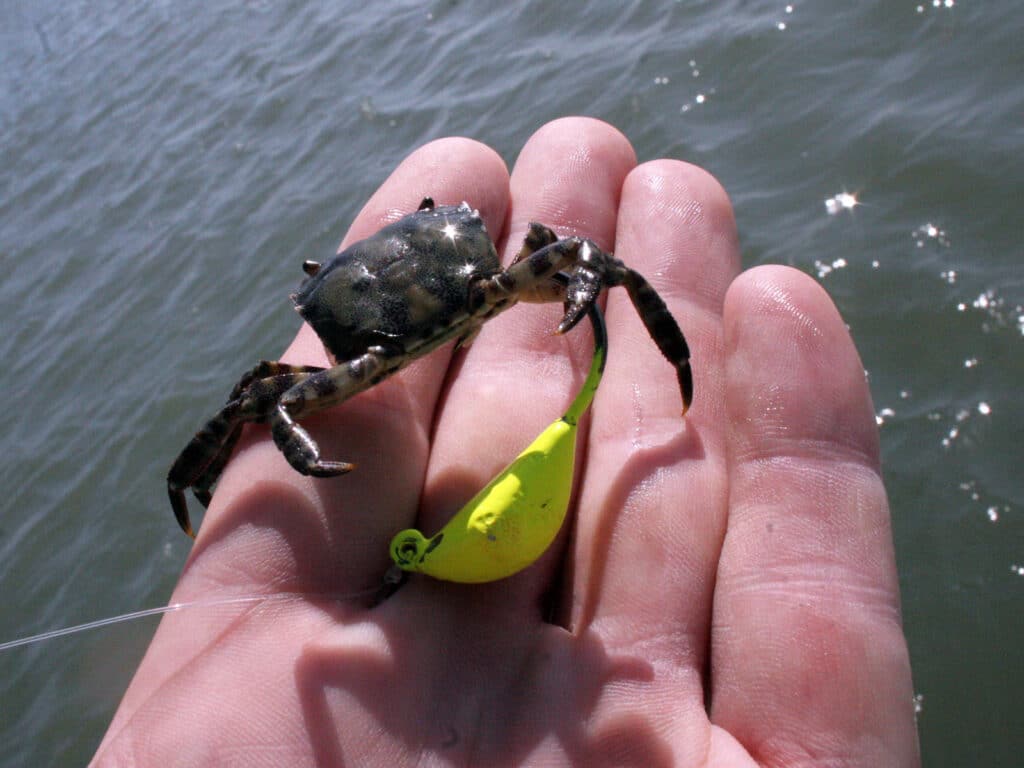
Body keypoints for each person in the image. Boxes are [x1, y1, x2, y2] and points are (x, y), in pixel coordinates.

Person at [93, 118, 919, 766]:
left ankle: (674, 356)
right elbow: (271, 409)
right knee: (260, 402)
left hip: (404, 339)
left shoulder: (485, 275)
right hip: (430, 324)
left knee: (606, 265)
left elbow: (592, 260)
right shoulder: (479, 271)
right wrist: (293, 453)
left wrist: (585, 282)